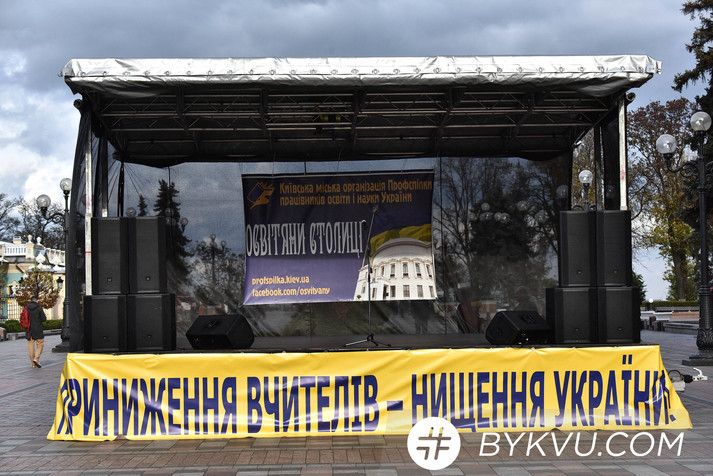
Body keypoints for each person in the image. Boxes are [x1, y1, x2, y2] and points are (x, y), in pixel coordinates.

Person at [26, 296, 47, 368]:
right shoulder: (39, 308)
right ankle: (36, 358)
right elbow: (44, 319)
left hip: (29, 329)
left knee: (30, 346)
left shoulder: (26, 308)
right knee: (40, 344)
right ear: (37, 301)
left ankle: (33, 364)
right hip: (38, 329)